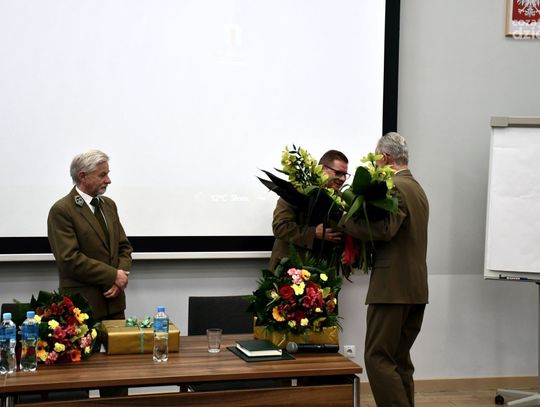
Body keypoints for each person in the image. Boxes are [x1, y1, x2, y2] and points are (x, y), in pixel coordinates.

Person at [338, 133, 429, 407]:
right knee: (399, 360)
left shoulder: (397, 187)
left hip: (392, 288)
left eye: (377, 158)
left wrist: (345, 220)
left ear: (386, 157)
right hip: (415, 288)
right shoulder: (417, 189)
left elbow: (385, 230)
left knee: (377, 357)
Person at [47, 149, 132, 322]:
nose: (108, 180)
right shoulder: (62, 210)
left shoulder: (109, 205)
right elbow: (69, 259)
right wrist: (113, 276)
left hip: (115, 304)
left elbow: (124, 247)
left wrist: (120, 278)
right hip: (83, 308)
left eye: (107, 174)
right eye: (102, 175)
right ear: (83, 176)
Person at [269, 149, 349, 270]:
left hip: (324, 271)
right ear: (322, 169)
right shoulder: (297, 191)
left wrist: (348, 247)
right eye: (338, 173)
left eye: (345, 174)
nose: (342, 179)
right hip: (290, 269)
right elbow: (280, 227)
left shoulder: (341, 200)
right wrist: (313, 233)